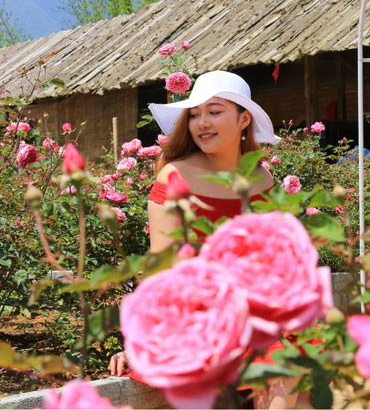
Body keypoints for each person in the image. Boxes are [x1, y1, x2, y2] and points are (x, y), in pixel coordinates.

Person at [109, 71, 305, 408]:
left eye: (214, 112)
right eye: (195, 114)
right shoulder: (177, 175)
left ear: (244, 119)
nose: (202, 123)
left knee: (287, 360)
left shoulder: (260, 178)